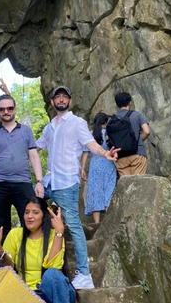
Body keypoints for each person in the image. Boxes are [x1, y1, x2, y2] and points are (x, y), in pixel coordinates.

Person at [36, 86, 120, 290]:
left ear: (70, 102)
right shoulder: (50, 127)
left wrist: (104, 153)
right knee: (27, 199)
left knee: (73, 224)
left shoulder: (77, 123)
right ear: (52, 102)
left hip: (66, 183)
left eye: (65, 96)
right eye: (58, 97)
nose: (61, 100)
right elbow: (36, 147)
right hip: (49, 182)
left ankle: (84, 273)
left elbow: (90, 144)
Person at [0, 94, 44, 242]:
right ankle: (5, 262)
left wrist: (39, 181)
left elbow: (34, 156)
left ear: (14, 109)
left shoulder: (26, 131)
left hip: (22, 182)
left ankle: (27, 260)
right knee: (2, 226)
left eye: (9, 108)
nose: (6, 112)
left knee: (30, 223)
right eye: (2, 109)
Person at [3, 198, 76, 303]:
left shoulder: (54, 235)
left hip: (55, 292)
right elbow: (6, 270)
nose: (29, 216)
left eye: (35, 212)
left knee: (51, 275)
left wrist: (59, 232)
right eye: (27, 212)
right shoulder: (15, 234)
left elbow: (54, 269)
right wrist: (0, 254)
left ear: (44, 216)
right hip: (27, 294)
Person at [80, 113, 117, 223]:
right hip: (108, 164)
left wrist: (82, 169)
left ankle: (96, 224)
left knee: (96, 192)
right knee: (108, 190)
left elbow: (85, 153)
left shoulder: (90, 135)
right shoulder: (109, 133)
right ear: (105, 123)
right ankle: (109, 221)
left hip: (95, 166)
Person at [112, 92, 150, 176]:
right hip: (137, 152)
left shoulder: (112, 120)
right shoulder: (137, 115)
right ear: (130, 102)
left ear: (117, 105)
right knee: (138, 183)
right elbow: (147, 131)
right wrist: (137, 140)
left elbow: (108, 139)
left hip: (121, 156)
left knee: (126, 186)